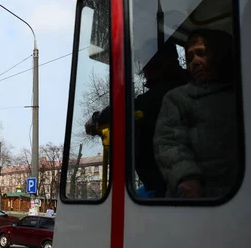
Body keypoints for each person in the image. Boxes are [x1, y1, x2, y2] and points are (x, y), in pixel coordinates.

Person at [85, 39, 190, 197]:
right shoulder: (184, 84)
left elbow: (129, 108)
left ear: (161, 60)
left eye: (146, 61)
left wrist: (98, 119)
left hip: (169, 185)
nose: (143, 67)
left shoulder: (166, 93)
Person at [154, 29, 237, 198]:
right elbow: (168, 142)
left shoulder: (240, 93)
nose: (195, 62)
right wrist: (186, 177)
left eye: (201, 53)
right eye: (190, 57)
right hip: (200, 198)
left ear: (220, 55)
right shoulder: (177, 98)